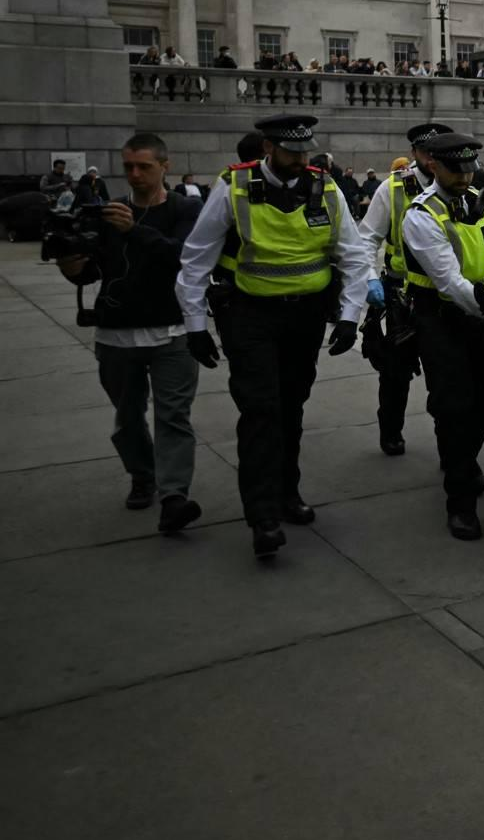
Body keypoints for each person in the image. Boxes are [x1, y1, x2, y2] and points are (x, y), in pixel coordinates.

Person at [175, 115, 372, 558]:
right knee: (261, 409)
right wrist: (194, 326)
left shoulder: (327, 187)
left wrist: (348, 317)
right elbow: (196, 258)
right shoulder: (234, 187)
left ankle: (287, 492)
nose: (301, 159)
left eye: (306, 151)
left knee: (291, 406)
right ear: (268, 148)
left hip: (304, 317)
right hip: (249, 315)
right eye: (291, 152)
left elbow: (354, 255)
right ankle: (262, 516)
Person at [56, 133, 206, 532]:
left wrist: (133, 231)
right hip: (116, 336)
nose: (135, 175)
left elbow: (185, 256)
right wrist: (69, 259)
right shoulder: (110, 214)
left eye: (144, 167)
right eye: (128, 167)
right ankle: (143, 475)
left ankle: (174, 496)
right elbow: (89, 272)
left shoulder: (185, 207)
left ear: (165, 166)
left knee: (174, 416)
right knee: (127, 417)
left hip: (173, 332)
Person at [399, 132, 484, 541]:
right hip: (442, 319)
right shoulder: (422, 215)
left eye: (469, 170)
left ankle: (460, 457)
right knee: (457, 406)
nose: (465, 178)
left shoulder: (474, 202)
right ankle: (459, 501)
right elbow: (448, 279)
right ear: (433, 167)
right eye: (455, 171)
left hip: (482, 315)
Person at [358, 122, 452, 455]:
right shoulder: (394, 188)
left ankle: (450, 446)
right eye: (425, 152)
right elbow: (368, 236)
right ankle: (391, 430)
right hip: (402, 293)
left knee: (445, 375)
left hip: (445, 292)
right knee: (396, 372)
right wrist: (369, 277)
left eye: (436, 152)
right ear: (414, 153)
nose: (431, 159)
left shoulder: (458, 182)